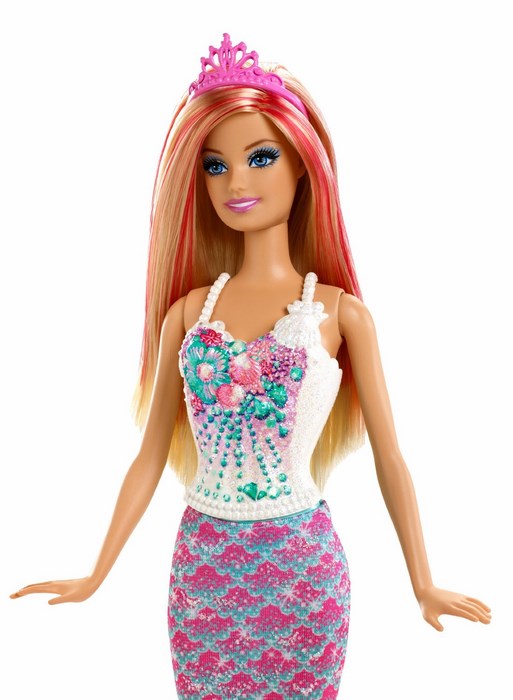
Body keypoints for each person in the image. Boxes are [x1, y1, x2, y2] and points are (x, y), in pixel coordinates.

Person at [10, 33, 491, 699]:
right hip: (203, 568)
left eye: (259, 158)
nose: (235, 183)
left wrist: (422, 581)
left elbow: (391, 456)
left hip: (302, 572)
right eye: (215, 166)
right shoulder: (187, 314)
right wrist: (96, 573)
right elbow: (149, 457)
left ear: (302, 167)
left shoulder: (341, 314)